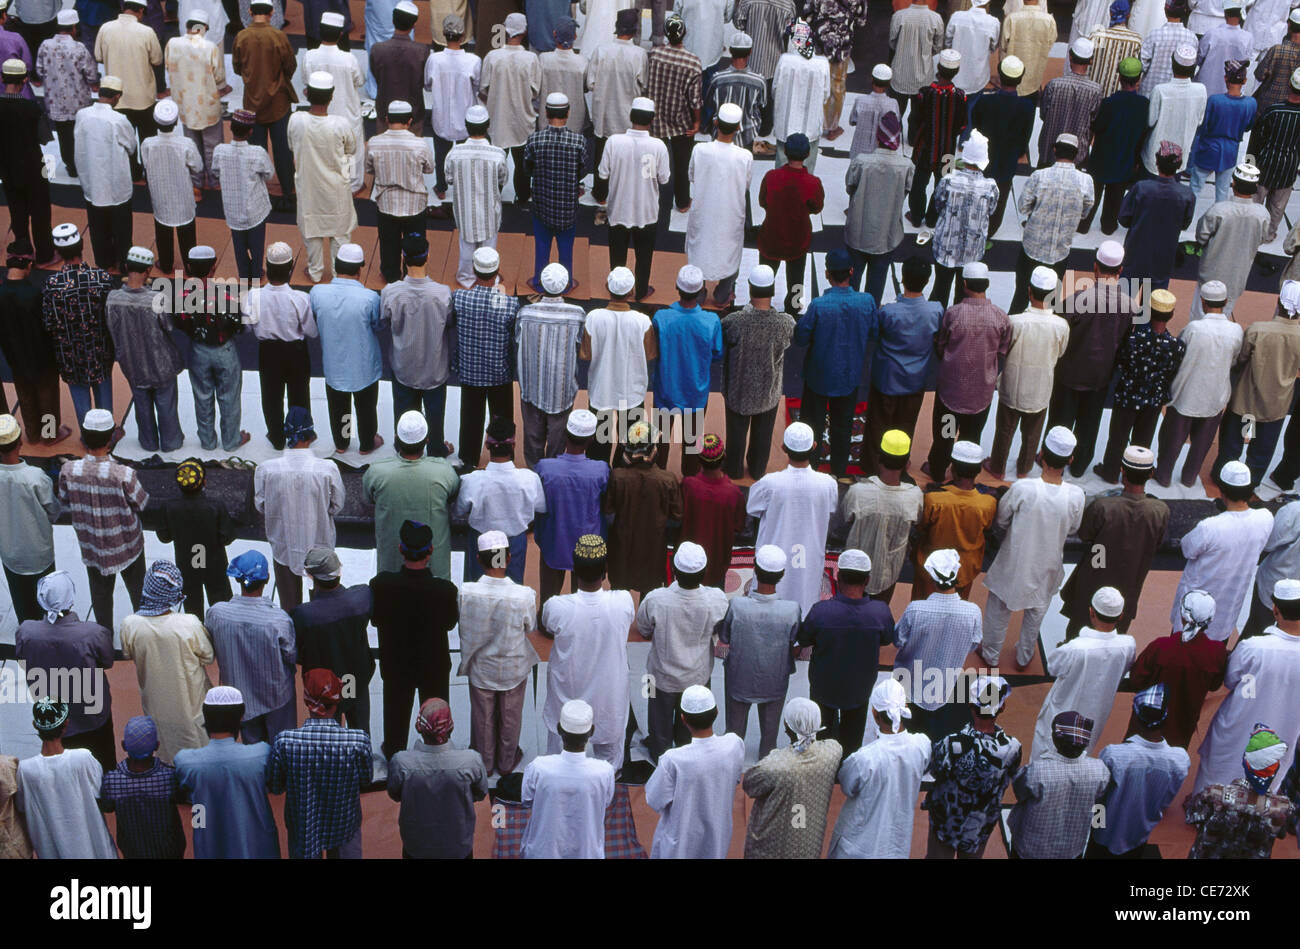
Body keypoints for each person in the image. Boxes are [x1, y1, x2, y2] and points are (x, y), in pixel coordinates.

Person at [981, 427, 1086, 671]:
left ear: (1041, 455)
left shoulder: (1023, 488)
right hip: (1049, 564)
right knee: (1036, 613)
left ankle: (991, 654)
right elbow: (1073, 529)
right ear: (1070, 460)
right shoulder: (1076, 495)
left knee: (999, 609)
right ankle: (1024, 657)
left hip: (1015, 561)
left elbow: (1002, 518)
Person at [1194, 578, 1300, 791]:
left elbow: (1230, 679)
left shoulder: (1253, 647)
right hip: (1283, 736)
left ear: (1275, 609)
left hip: (1238, 729)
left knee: (1215, 785)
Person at [539, 535, 633, 770]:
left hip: (564, 701)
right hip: (609, 703)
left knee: (557, 766)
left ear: (574, 569)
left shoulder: (556, 606)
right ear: (605, 571)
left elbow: (547, 625)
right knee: (608, 769)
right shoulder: (623, 601)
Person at [1048, 244, 1141, 476]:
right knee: (1089, 423)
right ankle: (1080, 465)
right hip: (1101, 375)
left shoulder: (1077, 299)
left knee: (1061, 418)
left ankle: (1053, 458)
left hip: (1069, 371)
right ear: (1120, 271)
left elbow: (1059, 332)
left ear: (1095, 267)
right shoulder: (1130, 306)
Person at [1061, 448, 1169, 636]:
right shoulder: (1160, 511)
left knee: (1079, 627)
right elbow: (1158, 542)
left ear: (1122, 471)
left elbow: (1085, 534)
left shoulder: (1104, 506)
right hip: (1131, 577)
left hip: (1097, 568)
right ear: (1151, 474)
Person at [57, 408, 148, 631]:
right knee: (138, 592)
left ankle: (104, 636)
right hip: (128, 545)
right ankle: (144, 633)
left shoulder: (68, 470)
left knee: (100, 594)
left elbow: (64, 500)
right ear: (111, 438)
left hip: (92, 548)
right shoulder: (124, 474)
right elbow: (141, 503)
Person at [637, 541, 729, 758]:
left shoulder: (655, 598)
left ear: (674, 570)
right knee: (691, 722)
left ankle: (660, 754)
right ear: (704, 572)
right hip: (698, 675)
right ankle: (685, 753)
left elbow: (643, 628)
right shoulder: (717, 599)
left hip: (656, 675)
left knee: (656, 717)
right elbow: (721, 629)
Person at [15, 571, 115, 772]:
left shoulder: (26, 631)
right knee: (104, 764)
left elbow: (22, 658)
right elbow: (107, 661)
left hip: (54, 717)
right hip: (92, 715)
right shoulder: (93, 633)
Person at [455, 530, 537, 776]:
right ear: (509, 558)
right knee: (510, 717)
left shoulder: (465, 592)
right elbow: (529, 626)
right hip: (512, 667)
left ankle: (485, 762)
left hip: (481, 667)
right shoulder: (524, 595)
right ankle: (506, 762)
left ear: (479, 560)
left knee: (483, 717)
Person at [267, 669, 371, 858]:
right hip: (344, 823)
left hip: (303, 825)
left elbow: (275, 786)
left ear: (307, 701)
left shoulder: (284, 742)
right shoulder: (358, 741)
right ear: (337, 701)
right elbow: (365, 780)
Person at [798, 548, 892, 758]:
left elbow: (804, 639)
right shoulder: (880, 612)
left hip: (823, 688)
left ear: (838, 577)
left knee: (820, 739)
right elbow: (887, 639)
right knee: (851, 742)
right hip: (859, 690)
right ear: (867, 580)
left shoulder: (821, 611)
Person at [120, 560, 215, 763]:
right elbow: (208, 656)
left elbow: (128, 654)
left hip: (155, 710)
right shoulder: (188, 623)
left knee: (165, 757)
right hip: (192, 710)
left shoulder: (130, 624)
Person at [827, 678, 931, 859]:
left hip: (858, 846)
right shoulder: (922, 745)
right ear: (904, 706)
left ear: (875, 714)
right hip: (897, 846)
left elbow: (848, 786)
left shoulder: (863, 759)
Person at [253, 408, 345, 611]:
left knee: (289, 605)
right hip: (319, 542)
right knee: (322, 604)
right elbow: (337, 506)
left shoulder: (266, 469)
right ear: (311, 435)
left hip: (283, 543)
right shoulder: (327, 469)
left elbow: (261, 505)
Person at [1172, 461, 1274, 643]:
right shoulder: (1265, 518)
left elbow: (1188, 549)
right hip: (1228, 608)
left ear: (1222, 490)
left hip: (1194, 605)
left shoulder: (1210, 526)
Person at [793, 249, 874, 477]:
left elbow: (800, 338)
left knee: (813, 424)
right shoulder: (866, 301)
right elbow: (874, 332)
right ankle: (839, 470)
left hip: (819, 375)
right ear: (851, 271)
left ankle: (810, 467)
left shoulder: (819, 305)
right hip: (850, 374)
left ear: (827, 274)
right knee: (843, 425)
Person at [173, 686, 280, 858]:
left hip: (209, 846)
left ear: (206, 717)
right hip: (257, 848)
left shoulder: (186, 761)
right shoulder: (261, 754)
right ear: (240, 718)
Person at [927, 261, 1010, 478]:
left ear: (964, 284)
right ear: (987, 284)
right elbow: (1003, 351)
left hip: (950, 394)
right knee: (971, 437)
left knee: (945, 436)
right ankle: (963, 474)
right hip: (981, 395)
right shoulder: (1001, 318)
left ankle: (937, 470)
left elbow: (941, 345)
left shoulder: (953, 314)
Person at [1155, 281, 1243, 486]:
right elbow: (1236, 359)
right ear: (1226, 302)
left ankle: (1164, 477)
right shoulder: (1236, 330)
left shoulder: (1194, 328)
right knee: (1201, 445)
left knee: (1171, 442)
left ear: (1203, 302)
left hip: (1186, 394)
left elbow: (1180, 354)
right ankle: (1188, 479)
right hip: (1215, 397)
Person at [204, 550, 296, 744]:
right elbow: (290, 656)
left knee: (252, 747)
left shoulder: (216, 614)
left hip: (241, 698)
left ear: (237, 580)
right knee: (283, 745)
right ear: (267, 578)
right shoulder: (279, 620)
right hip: (277, 697)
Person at [1088, 685, 1191, 858]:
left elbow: (1098, 795)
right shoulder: (1179, 759)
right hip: (1139, 833)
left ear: (1136, 717)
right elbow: (1166, 799)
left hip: (1104, 832)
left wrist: (1095, 824)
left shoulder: (1114, 754)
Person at [924, 675, 1021, 858]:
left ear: (970, 704)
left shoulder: (951, 744)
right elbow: (1010, 775)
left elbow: (935, 770)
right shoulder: (1012, 748)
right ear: (1002, 707)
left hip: (946, 820)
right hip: (980, 825)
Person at [716, 544, 800, 757]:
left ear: (755, 570)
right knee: (770, 736)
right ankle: (765, 771)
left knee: (734, 732)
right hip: (775, 678)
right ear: (781, 575)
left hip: (739, 677)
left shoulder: (737, 605)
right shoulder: (791, 609)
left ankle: (731, 768)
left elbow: (725, 637)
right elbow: (794, 640)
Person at [1033, 587, 1137, 758]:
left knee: (1045, 755)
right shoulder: (1128, 645)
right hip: (1095, 714)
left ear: (1091, 612)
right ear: (1120, 616)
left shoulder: (1075, 648)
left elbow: (1052, 667)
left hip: (1061, 710)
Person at [747, 422, 838, 615]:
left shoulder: (769, 483)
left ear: (783, 448)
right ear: (814, 447)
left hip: (772, 557)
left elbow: (752, 508)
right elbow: (830, 508)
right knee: (804, 601)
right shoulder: (828, 484)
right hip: (809, 557)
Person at [1213, 283, 1300, 486]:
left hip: (1247, 401)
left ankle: (1223, 478)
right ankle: (1249, 484)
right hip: (1275, 406)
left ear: (1278, 302)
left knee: (1233, 445)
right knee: (1261, 450)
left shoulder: (1258, 330)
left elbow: (1240, 359)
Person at [645, 684, 745, 858]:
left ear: (683, 719)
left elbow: (654, 799)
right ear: (717, 712)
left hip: (679, 845)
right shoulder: (734, 745)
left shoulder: (673, 760)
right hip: (717, 840)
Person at [989, 268, 1069, 479]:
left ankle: (997, 468)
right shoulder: (1061, 325)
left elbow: (1003, 350)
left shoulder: (1014, 321)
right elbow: (1060, 353)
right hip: (1041, 389)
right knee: (1032, 435)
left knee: (1004, 430)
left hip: (1012, 386)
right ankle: (1024, 469)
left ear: (1029, 291)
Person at [862, 258, 940, 474]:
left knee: (877, 425)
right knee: (906, 426)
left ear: (903, 278)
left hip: (887, 378)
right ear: (927, 281)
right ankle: (898, 467)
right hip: (916, 380)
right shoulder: (935, 311)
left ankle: (871, 468)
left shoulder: (889, 312)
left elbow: (876, 334)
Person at [894, 549, 982, 741]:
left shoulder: (915, 609)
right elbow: (973, 644)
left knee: (909, 735)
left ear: (932, 577)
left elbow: (898, 640)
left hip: (910, 683)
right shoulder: (973, 612)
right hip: (946, 685)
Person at [1097, 293, 1186, 482]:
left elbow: (1120, 363)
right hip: (1153, 401)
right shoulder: (1175, 346)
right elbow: (1172, 372)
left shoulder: (1133, 339)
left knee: (1117, 438)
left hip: (1127, 397)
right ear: (1171, 316)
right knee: (1142, 442)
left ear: (1149, 312)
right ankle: (1135, 475)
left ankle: (1111, 472)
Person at [387, 698, 488, 859]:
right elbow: (480, 793)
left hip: (417, 848)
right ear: (451, 727)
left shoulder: (401, 762)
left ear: (419, 727)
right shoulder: (471, 761)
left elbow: (394, 794)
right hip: (458, 847)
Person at [378, 236, 453, 454]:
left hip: (404, 366)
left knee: (403, 412)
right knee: (435, 414)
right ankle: (437, 447)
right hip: (435, 367)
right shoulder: (443, 293)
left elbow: (384, 320)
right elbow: (449, 322)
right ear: (428, 256)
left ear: (403, 257)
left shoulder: (390, 292)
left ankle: (405, 446)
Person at [15, 699, 117, 858]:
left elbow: (22, 807)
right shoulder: (83, 758)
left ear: (36, 725)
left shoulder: (25, 770)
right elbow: (102, 795)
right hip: (96, 851)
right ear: (66, 724)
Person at [104, 248, 183, 453]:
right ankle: (171, 442)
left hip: (131, 363)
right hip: (160, 363)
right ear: (148, 270)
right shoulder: (156, 299)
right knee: (166, 405)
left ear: (127, 267)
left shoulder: (112, 298)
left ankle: (148, 443)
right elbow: (169, 327)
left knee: (142, 405)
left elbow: (111, 328)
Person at [363, 414, 460, 581]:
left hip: (391, 569)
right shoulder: (444, 470)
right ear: (427, 440)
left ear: (396, 439)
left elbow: (367, 499)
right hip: (435, 569)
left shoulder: (376, 472)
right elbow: (453, 495)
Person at [742, 698, 842, 858]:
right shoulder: (833, 751)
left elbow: (750, 785)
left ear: (787, 726)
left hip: (771, 849)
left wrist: (774, 756)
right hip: (810, 846)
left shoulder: (773, 766)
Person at [718, 265, 793, 479]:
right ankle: (758, 469)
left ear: (749, 288)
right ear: (773, 290)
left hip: (737, 388)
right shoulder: (785, 323)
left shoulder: (734, 322)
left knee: (736, 433)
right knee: (763, 434)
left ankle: (733, 468)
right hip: (768, 390)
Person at [173, 246, 250, 454]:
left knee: (202, 395)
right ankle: (231, 440)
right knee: (229, 396)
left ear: (189, 268)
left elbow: (179, 323)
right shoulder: (228, 295)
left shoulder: (181, 297)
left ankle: (207, 441)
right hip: (225, 350)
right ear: (213, 268)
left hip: (198, 350)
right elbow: (240, 326)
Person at [292, 546, 374, 738]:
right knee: (361, 732)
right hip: (354, 680)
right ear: (339, 571)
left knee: (329, 737)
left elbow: (298, 653)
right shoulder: (362, 597)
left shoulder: (304, 614)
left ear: (311, 576)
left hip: (324, 688)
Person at [520, 699, 616, 859]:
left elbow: (527, 800)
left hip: (542, 852)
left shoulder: (539, 768)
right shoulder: (604, 771)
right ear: (591, 731)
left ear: (559, 729)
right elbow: (605, 802)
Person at [311, 243, 383, 454]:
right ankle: (367, 444)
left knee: (339, 406)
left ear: (336, 265)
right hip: (363, 364)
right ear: (360, 269)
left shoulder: (317, 293)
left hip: (334, 364)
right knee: (366, 407)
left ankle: (343, 443)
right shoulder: (370, 298)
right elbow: (378, 324)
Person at [1008, 711, 1111, 858]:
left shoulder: (1036, 771)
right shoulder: (1100, 770)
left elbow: (1020, 792)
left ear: (1056, 739)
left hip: (1030, 849)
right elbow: (1099, 798)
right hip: (1071, 850)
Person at [452, 418, 544, 582]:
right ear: (513, 445)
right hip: (514, 543)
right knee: (512, 592)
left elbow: (459, 511)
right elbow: (540, 508)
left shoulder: (472, 480)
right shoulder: (530, 479)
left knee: (479, 589)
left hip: (481, 542)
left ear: (487, 445)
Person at [1010, 135, 1094, 314]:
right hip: (1060, 252)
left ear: (1054, 150)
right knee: (1051, 300)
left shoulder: (1039, 176)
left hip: (1032, 249)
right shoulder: (1086, 181)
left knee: (1021, 296)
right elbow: (1086, 211)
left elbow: (1023, 207)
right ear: (1076, 154)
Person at [651, 265, 722, 475]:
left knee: (660, 439)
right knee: (692, 444)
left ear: (676, 286)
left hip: (665, 391)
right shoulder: (711, 321)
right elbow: (717, 354)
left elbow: (653, 350)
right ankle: (690, 482)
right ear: (701, 291)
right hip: (696, 394)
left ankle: (659, 479)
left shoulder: (661, 318)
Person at [288, 72, 357, 283]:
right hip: (336, 187)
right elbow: (351, 149)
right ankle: (340, 273)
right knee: (340, 233)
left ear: (306, 93)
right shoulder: (340, 124)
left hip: (308, 187)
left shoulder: (296, 120)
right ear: (332, 96)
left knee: (312, 231)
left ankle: (315, 271)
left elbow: (292, 146)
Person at [45, 223, 117, 427]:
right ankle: (107, 434)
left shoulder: (53, 285)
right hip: (101, 351)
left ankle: (88, 438)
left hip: (69, 355)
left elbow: (49, 322)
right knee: (104, 396)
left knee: (80, 399)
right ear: (82, 245)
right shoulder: (101, 278)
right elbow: (112, 316)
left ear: (58, 252)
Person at [580, 268, 655, 466]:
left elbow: (585, 354)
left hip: (601, 390)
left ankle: (600, 478)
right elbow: (650, 354)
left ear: (607, 288)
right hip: (632, 391)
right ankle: (621, 477)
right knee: (631, 443)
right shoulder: (643, 321)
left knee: (598, 443)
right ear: (631, 292)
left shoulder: (593, 317)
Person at [452, 247, 518, 468]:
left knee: (470, 420)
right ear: (497, 270)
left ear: (474, 269)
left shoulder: (460, 298)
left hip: (470, 372)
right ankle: (504, 457)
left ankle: (468, 460)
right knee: (502, 420)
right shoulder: (510, 303)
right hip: (500, 372)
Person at [534, 411, 610, 603]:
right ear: (591, 439)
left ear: (566, 434)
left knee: (548, 601)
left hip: (553, 541)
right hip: (588, 545)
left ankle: (546, 625)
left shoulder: (544, 467)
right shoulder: (601, 470)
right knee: (585, 602)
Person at [1187, 725, 1295, 858]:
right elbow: (1281, 833)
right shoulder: (1283, 807)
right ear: (1275, 770)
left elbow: (1192, 816)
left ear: (1245, 762)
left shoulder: (1214, 793)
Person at [516, 264, 586, 465]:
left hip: (531, 387)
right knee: (557, 445)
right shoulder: (577, 314)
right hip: (561, 390)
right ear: (565, 286)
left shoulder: (526, 313)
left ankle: (534, 479)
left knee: (532, 440)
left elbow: (517, 339)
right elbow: (581, 345)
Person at [600, 97, 670, 300]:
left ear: (631, 117)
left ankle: (617, 288)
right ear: (652, 119)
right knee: (644, 254)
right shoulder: (659, 146)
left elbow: (603, 174)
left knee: (617, 253)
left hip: (619, 208)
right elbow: (664, 179)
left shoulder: (613, 141)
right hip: (646, 210)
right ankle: (640, 291)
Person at [244, 244, 313, 448]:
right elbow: (311, 331)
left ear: (267, 265)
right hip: (296, 352)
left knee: (271, 395)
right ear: (291, 267)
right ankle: (301, 435)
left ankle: (276, 437)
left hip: (268, 351)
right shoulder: (301, 298)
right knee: (299, 394)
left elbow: (247, 328)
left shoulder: (253, 296)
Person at [840, 431, 922, 601]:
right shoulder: (914, 497)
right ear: (907, 464)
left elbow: (846, 517)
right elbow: (918, 520)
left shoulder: (857, 492)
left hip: (852, 570)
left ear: (879, 458)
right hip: (889, 574)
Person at [232, 0, 297, 212]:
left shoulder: (241, 36)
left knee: (256, 150)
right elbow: (290, 65)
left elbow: (236, 67)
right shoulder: (279, 36)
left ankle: (259, 193)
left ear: (250, 11)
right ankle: (288, 191)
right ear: (271, 12)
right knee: (283, 152)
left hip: (252, 102)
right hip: (279, 102)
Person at [686, 102, 753, 306]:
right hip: (730, 212)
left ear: (715, 122)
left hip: (704, 209)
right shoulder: (745, 156)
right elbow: (746, 185)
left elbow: (692, 176)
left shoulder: (700, 150)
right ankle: (723, 294)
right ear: (739, 127)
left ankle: (696, 292)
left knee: (700, 249)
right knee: (730, 252)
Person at [606, 420, 683, 595]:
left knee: (618, 598)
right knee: (650, 600)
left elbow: (608, 516)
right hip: (654, 552)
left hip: (621, 550)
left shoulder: (617, 477)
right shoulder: (668, 479)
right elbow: (676, 519)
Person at [845, 111, 911, 301]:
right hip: (887, 235)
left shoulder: (861, 162)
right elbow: (906, 191)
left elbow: (850, 187)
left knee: (852, 281)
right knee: (876, 285)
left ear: (878, 136)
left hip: (858, 231)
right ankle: (871, 319)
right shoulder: (906, 166)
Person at [98, 715, 185, 859]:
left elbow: (107, 806)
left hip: (133, 852)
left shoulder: (112, 780)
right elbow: (181, 796)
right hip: (170, 851)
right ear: (156, 746)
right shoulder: (170, 777)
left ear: (124, 746)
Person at [156, 461, 235, 618]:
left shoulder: (168, 506)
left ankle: (197, 635)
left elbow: (164, 537)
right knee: (221, 605)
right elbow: (227, 537)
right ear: (204, 482)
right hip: (214, 564)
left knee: (192, 608)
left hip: (187, 564)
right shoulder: (216, 506)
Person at [366, 101, 434, 284]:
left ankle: (391, 277)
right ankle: (413, 274)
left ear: (387, 119)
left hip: (386, 203)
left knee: (388, 245)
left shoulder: (374, 142)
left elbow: (369, 169)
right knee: (415, 245)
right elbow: (429, 169)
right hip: (415, 204)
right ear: (410, 121)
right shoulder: (420, 144)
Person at [72, 78, 135, 273]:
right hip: (116, 185)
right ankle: (124, 262)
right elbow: (131, 147)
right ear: (117, 96)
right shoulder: (119, 120)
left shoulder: (82, 115)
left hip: (92, 182)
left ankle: (104, 262)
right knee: (122, 229)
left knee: (98, 229)